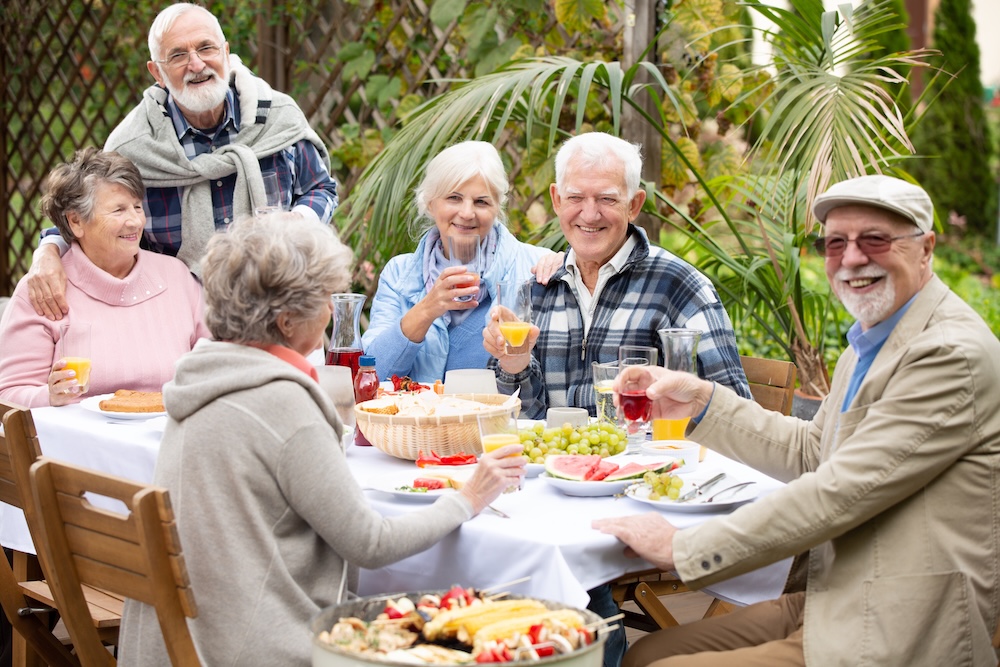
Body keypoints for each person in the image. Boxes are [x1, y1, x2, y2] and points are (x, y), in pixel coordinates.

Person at [594, 175, 1000, 666]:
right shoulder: (874, 338)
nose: (851, 258)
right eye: (835, 243)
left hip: (900, 617)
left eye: (874, 239)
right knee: (644, 654)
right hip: (834, 596)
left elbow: (840, 490)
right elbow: (812, 451)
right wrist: (701, 402)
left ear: (926, 248)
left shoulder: (948, 353)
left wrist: (685, 547)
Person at [116, 213, 526, 665]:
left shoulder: (202, 380)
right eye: (325, 299)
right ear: (289, 320)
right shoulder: (281, 402)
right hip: (258, 649)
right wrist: (469, 497)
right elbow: (371, 544)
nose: (332, 311)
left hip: (178, 647)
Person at [482, 132, 751, 667]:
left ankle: (595, 643)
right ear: (556, 200)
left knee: (529, 577)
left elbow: (733, 404)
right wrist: (510, 368)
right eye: (576, 198)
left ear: (634, 204)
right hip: (548, 497)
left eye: (607, 198)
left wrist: (667, 413)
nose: (590, 213)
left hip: (637, 498)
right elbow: (520, 413)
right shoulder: (536, 287)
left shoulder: (679, 285)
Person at [25, 2, 339, 318]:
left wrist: (298, 220)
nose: (196, 64)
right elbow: (90, 219)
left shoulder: (276, 117)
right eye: (177, 55)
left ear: (226, 53)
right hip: (173, 320)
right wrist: (48, 251)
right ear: (157, 72)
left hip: (280, 306)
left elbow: (321, 187)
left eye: (206, 48)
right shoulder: (132, 145)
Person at [0, 148, 208, 408]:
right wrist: (49, 397)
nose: (134, 221)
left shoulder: (176, 276)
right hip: (78, 446)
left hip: (169, 438)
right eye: (118, 210)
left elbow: (213, 361)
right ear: (76, 221)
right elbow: (10, 393)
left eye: (136, 207)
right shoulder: (45, 290)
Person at [363, 141, 561, 383]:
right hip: (419, 420)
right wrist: (427, 309)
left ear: (497, 207)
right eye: (454, 198)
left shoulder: (537, 266)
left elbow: (553, 380)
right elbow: (372, 374)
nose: (467, 213)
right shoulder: (399, 274)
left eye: (481, 202)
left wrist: (569, 264)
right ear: (430, 202)